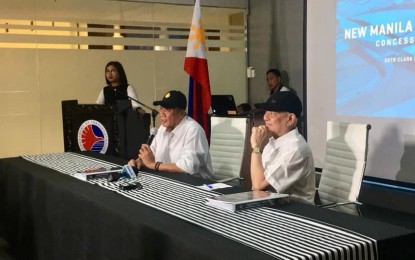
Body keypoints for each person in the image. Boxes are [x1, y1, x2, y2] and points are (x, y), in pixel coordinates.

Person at [128, 90, 214, 180]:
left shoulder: (193, 130)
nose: (162, 114)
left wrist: (153, 165)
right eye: (161, 108)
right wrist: (139, 161)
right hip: (171, 179)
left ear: (181, 113)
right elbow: (152, 153)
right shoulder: (162, 128)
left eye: (168, 110)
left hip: (198, 185)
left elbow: (188, 167)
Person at [250, 91, 315, 204]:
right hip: (273, 203)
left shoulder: (295, 149)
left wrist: (256, 147)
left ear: (290, 119)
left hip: (296, 211)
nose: (265, 117)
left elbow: (258, 187)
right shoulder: (274, 142)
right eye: (266, 112)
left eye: (272, 113)